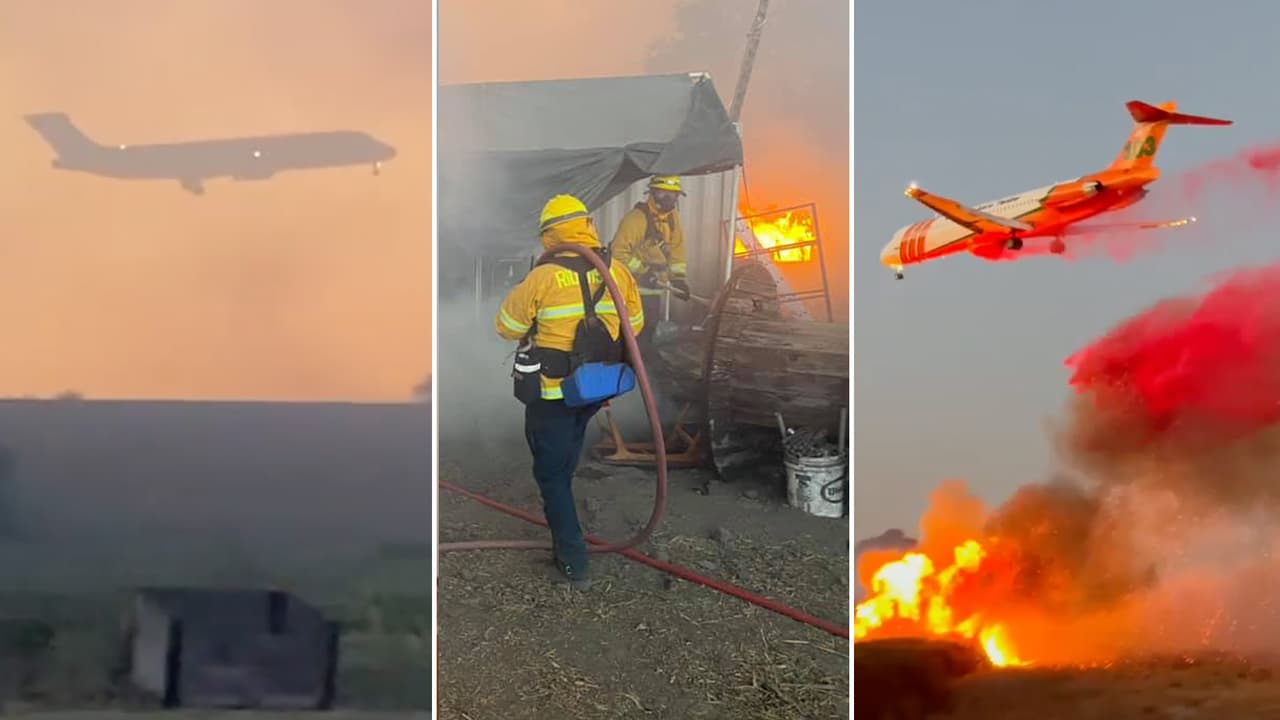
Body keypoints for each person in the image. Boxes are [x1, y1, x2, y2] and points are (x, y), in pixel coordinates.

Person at [495, 194, 645, 589]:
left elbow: (506, 327)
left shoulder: (542, 277)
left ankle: (573, 561)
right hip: (594, 390)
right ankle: (565, 478)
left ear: (549, 234)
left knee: (552, 477)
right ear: (587, 226)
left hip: (553, 395)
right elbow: (637, 324)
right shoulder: (618, 272)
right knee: (566, 453)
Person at [610, 175, 690, 349]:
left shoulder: (672, 218)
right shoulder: (636, 219)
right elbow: (617, 254)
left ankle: (645, 363)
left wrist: (678, 278)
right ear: (652, 192)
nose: (668, 199)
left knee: (649, 328)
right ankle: (635, 366)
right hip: (632, 289)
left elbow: (677, 248)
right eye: (663, 193)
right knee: (633, 332)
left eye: (673, 194)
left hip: (655, 288)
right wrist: (643, 272)